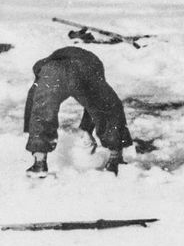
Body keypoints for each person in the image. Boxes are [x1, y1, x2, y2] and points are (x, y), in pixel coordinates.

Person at [23, 46, 133, 177]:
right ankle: (115, 158)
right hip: (84, 68)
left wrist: (31, 134)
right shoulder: (91, 61)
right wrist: (86, 128)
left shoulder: (46, 68)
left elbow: (34, 107)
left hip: (54, 72)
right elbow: (96, 104)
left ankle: (39, 163)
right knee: (107, 108)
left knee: (42, 111)